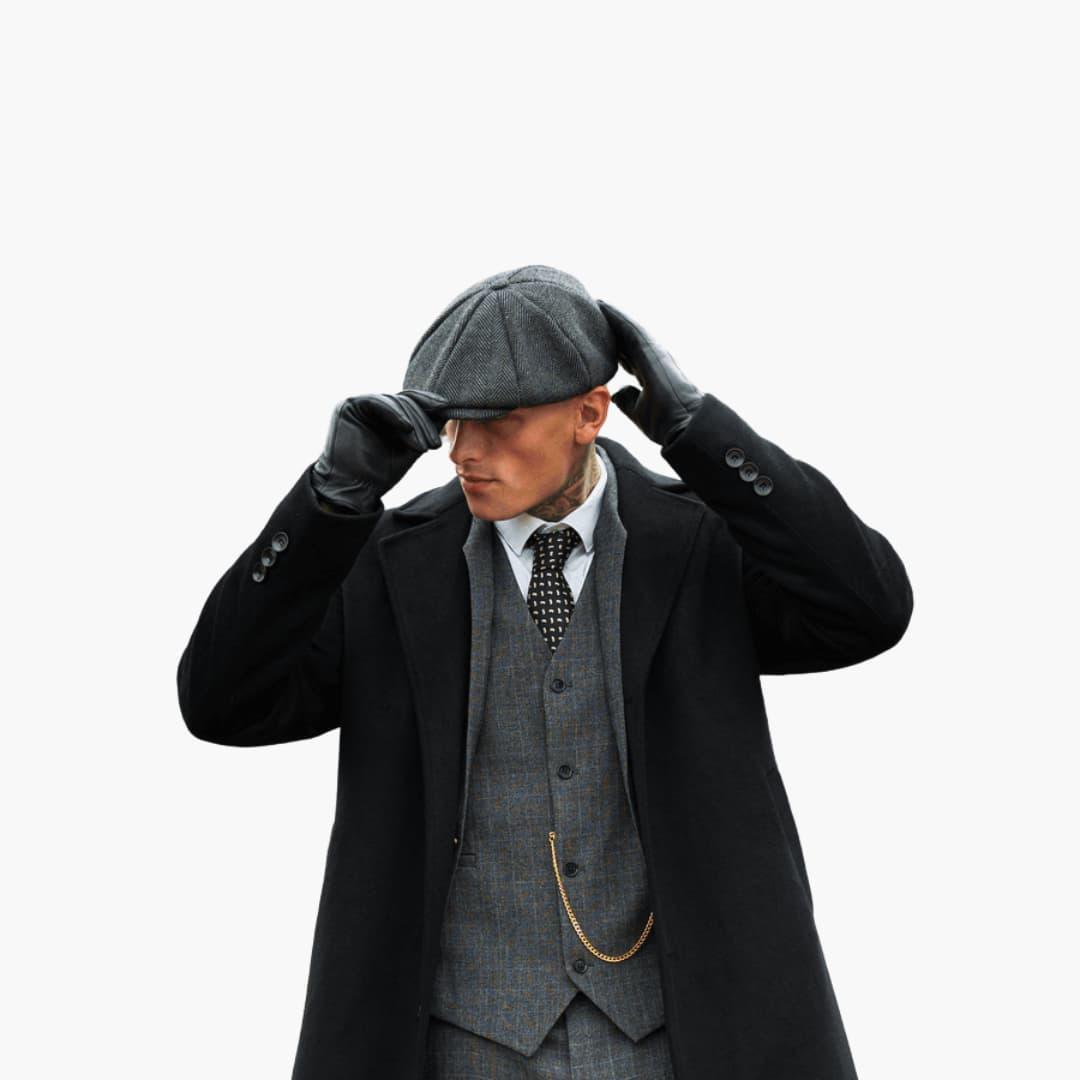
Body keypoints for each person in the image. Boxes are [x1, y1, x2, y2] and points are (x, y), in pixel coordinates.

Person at [177, 265, 913, 1079]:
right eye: (453, 422)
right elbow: (221, 703)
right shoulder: (385, 565)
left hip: (684, 1043)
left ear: (590, 413)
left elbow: (869, 608)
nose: (463, 451)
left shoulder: (701, 542)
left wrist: (698, 431)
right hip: (460, 1046)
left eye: (500, 422)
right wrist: (329, 501)